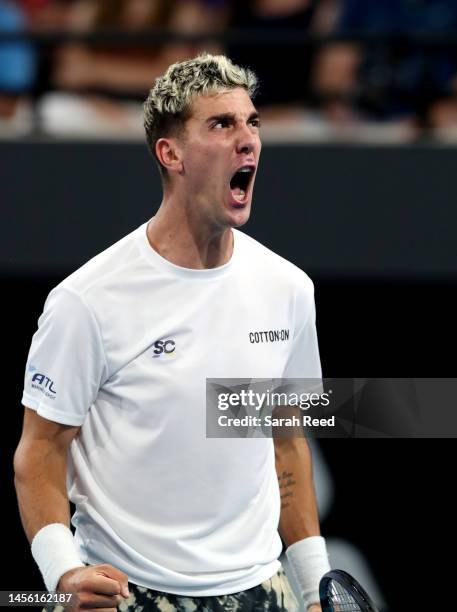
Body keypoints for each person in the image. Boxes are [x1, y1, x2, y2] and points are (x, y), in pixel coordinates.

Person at [14, 53, 330, 612]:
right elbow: (40, 452)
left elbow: (288, 442)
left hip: (262, 590)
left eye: (252, 122)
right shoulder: (86, 300)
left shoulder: (289, 289)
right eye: (222, 124)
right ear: (171, 153)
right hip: (130, 593)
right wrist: (63, 573)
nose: (248, 139)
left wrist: (315, 587)